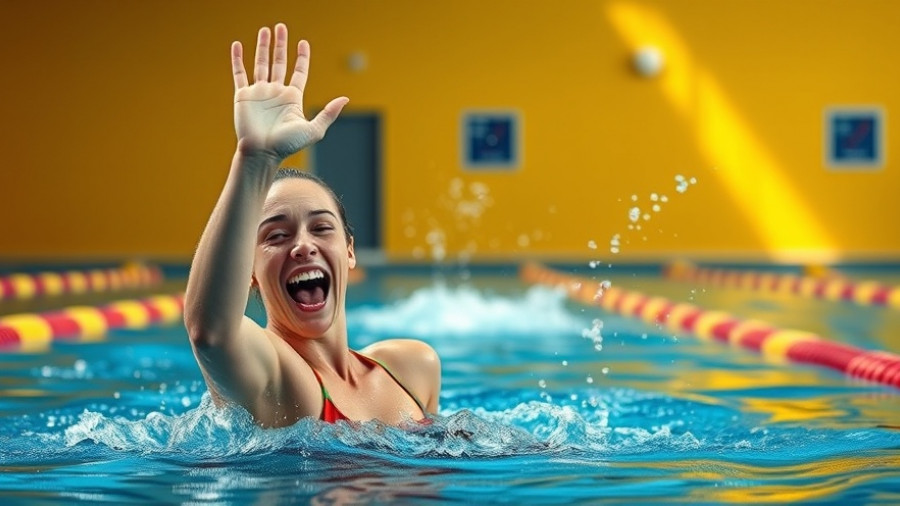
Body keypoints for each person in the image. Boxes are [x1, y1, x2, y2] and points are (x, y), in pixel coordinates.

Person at [184, 23, 441, 428]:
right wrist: (255, 160)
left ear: (350, 251)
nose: (302, 245)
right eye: (276, 235)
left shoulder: (413, 367)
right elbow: (210, 334)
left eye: (321, 228)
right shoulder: (275, 376)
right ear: (248, 271)